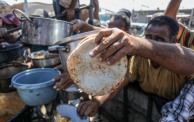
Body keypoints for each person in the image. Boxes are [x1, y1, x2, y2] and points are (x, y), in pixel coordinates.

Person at [77, 16, 194, 118]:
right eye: (148, 38)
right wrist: (96, 102)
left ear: (174, 42)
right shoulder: (140, 59)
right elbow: (118, 83)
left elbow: (190, 62)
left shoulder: (181, 59)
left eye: (159, 40)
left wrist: (141, 45)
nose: (151, 43)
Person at [52, 9, 131, 91]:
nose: (110, 35)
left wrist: (77, 74)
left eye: (115, 32)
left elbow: (114, 76)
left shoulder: (131, 51)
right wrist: (75, 65)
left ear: (127, 32)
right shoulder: (104, 44)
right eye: (109, 29)